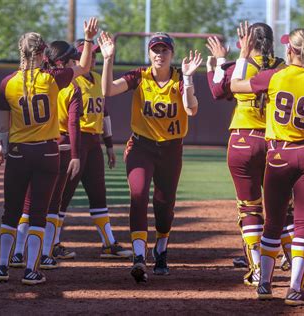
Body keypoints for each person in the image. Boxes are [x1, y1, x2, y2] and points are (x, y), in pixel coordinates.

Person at [231, 22, 304, 305]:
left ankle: (264, 284)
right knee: (303, 223)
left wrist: (243, 54)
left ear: (289, 49)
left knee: (274, 221)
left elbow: (234, 86)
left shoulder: (275, 76)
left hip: (277, 155)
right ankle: (294, 289)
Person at [206, 24, 304, 287]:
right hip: (274, 142)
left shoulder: (240, 66)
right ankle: (298, 267)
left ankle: (257, 269)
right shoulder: (282, 68)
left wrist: (223, 60)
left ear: (247, 41)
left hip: (243, 139)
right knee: (285, 208)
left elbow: (218, 90)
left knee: (249, 207)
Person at [0, 18, 98, 285]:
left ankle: (3, 266)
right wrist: (87, 38)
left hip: (18, 153)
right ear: (42, 54)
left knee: (11, 211)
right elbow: (84, 66)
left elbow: (4, 128)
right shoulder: (52, 78)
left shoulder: (7, 83)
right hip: (48, 154)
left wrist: (4, 149)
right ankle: (31, 270)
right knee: (39, 213)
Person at [98, 31, 202, 283]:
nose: (159, 54)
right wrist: (108, 59)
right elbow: (108, 90)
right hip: (141, 147)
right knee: (138, 194)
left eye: (164, 50)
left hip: (170, 149)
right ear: (149, 53)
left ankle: (161, 249)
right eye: (155, 49)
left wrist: (188, 78)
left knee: (164, 204)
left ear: (172, 54)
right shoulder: (139, 75)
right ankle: (138, 257)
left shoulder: (179, 78)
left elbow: (191, 108)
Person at [9, 40, 84, 271]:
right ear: (62, 63)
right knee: (52, 205)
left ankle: (16, 253)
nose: (76, 64)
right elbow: (73, 123)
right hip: (56, 149)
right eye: (73, 61)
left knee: (26, 204)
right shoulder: (65, 84)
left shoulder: (27, 82)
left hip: (27, 146)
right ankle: (45, 253)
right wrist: (75, 153)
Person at [54, 39, 133, 259]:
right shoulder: (70, 81)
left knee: (98, 193)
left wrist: (109, 144)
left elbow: (104, 113)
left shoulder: (98, 79)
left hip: (93, 143)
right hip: (72, 141)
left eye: (96, 54)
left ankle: (109, 244)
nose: (94, 58)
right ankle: (53, 242)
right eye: (88, 54)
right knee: (63, 194)